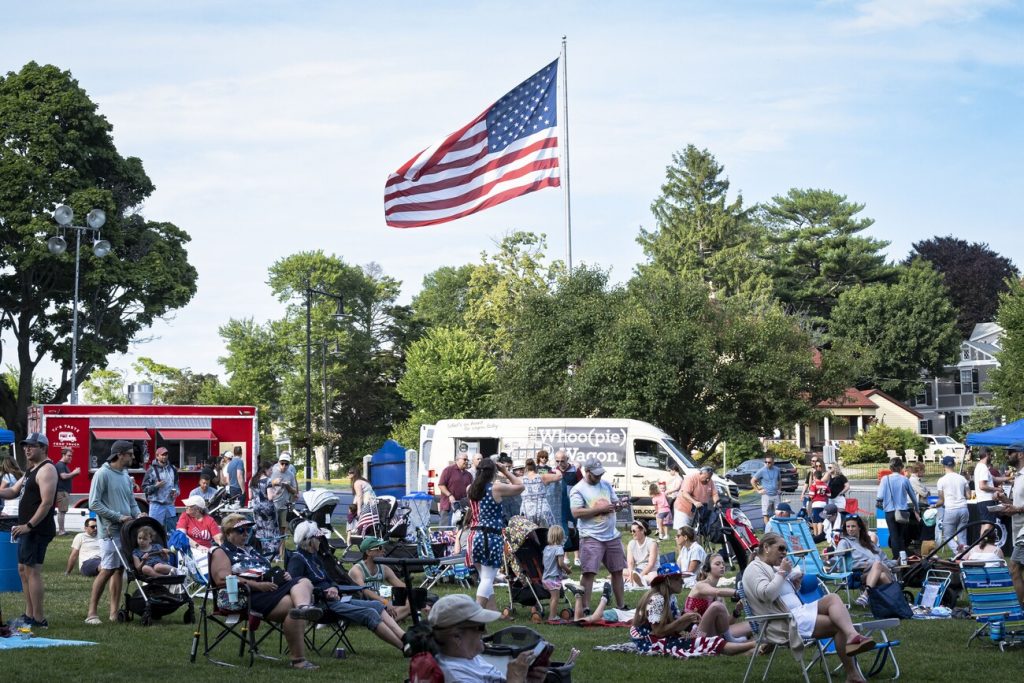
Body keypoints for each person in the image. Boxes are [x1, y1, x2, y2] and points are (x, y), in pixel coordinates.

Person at [743, 532, 877, 683]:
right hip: (782, 622)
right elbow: (767, 594)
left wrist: (795, 586)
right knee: (838, 625)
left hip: (796, 613)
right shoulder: (755, 568)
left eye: (786, 549)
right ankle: (852, 674)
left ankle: (852, 636)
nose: (784, 553)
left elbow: (781, 594)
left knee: (833, 598)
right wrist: (782, 572)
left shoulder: (769, 567)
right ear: (766, 547)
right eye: (781, 548)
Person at [210, 513, 322, 670]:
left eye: (248, 530)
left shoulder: (251, 550)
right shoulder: (221, 552)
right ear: (228, 533)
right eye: (240, 530)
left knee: (303, 581)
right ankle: (298, 658)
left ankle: (303, 609)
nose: (245, 534)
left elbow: (267, 571)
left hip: (271, 590)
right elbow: (222, 579)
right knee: (292, 606)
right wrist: (257, 586)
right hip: (247, 595)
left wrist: (283, 575)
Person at [288, 520, 406, 650]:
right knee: (370, 613)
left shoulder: (314, 557)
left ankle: (405, 637)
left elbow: (330, 580)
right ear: (310, 541)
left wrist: (333, 587)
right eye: (318, 538)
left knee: (377, 605)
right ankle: (403, 647)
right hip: (320, 606)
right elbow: (296, 587)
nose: (320, 540)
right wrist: (322, 593)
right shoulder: (297, 560)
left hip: (334, 600)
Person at [630, 563, 755, 658]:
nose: (683, 581)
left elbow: (673, 627)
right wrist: (684, 620)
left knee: (708, 639)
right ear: (668, 580)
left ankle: (752, 645)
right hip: (651, 640)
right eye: (679, 578)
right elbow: (658, 632)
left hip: (679, 633)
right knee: (706, 639)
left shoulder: (669, 597)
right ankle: (754, 644)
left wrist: (687, 619)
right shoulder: (657, 599)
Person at [0, 432, 58, 629]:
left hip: (36, 528)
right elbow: (13, 492)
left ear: (43, 448)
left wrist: (29, 525)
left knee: (32, 571)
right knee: (23, 569)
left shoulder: (47, 469)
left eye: (32, 446)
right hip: (26, 529)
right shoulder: (31, 470)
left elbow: (47, 502)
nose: (27, 449)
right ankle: (29, 614)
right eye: (25, 446)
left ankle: (39, 619)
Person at [427, 593, 546, 683]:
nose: (485, 631)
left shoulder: (468, 657)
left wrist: (525, 678)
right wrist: (515, 680)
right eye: (480, 627)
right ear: (456, 637)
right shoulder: (454, 676)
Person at [87, 439, 141, 625]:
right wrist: (117, 517)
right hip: (109, 531)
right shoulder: (102, 474)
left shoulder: (125, 474)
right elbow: (93, 503)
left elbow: (131, 501)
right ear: (120, 455)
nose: (133, 457)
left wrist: (138, 515)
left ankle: (113, 612)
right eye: (130, 454)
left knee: (119, 570)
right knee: (108, 569)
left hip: (125, 531)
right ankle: (92, 613)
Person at [570, 458, 628, 616]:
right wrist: (598, 510)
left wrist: (619, 505)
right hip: (591, 536)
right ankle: (585, 607)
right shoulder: (578, 489)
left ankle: (621, 605)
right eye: (596, 475)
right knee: (589, 572)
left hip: (611, 535)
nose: (599, 477)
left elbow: (614, 502)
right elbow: (576, 512)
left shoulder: (606, 484)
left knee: (617, 571)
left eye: (601, 474)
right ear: (586, 472)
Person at [465, 457, 523, 609]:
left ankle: (493, 611)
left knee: (484, 576)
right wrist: (505, 471)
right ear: (493, 473)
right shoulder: (496, 488)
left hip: (474, 536)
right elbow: (520, 486)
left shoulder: (470, 488)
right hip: (489, 536)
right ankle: (475, 613)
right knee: (488, 578)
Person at [685, 553, 752, 641]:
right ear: (708, 568)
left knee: (752, 625)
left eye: (723, 564)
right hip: (692, 634)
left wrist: (737, 611)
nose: (722, 566)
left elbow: (726, 624)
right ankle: (730, 641)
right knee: (716, 605)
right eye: (717, 564)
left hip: (710, 632)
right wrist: (740, 593)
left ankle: (754, 645)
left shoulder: (719, 597)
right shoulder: (700, 585)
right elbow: (717, 591)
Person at [349, 536, 416, 621]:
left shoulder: (384, 568)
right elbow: (364, 590)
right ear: (368, 552)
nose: (383, 550)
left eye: (383, 547)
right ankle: (388, 620)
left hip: (382, 603)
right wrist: (384, 602)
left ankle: (386, 620)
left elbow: (402, 586)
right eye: (379, 548)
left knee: (412, 600)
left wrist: (416, 593)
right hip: (364, 605)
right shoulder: (357, 570)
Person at [836, 515, 896, 607]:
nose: (850, 529)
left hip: (880, 569)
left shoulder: (868, 542)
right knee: (881, 574)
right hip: (861, 574)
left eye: (853, 526)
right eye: (848, 526)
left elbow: (884, 560)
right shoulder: (844, 542)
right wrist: (866, 564)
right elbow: (840, 564)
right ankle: (895, 601)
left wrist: (897, 562)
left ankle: (865, 595)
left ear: (859, 527)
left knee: (878, 564)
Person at [995, 449, 1024, 606]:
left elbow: (1019, 508)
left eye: (1010, 452)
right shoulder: (1018, 477)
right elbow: (1017, 506)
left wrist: (1017, 509)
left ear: (1020, 454)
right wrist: (1004, 499)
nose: (1007, 455)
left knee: (1014, 568)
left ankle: (1018, 611)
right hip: (1018, 530)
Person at [876, 458, 919, 559]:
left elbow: (880, 496)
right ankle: (903, 555)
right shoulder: (904, 479)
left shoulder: (885, 479)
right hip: (902, 511)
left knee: (893, 535)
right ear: (901, 467)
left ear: (890, 468)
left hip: (889, 511)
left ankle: (896, 557)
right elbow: (913, 496)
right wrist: (916, 509)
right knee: (901, 536)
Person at [933, 455, 970, 551]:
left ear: (943, 466)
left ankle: (957, 552)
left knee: (947, 536)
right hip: (963, 508)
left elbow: (941, 501)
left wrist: (934, 505)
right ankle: (965, 555)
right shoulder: (962, 478)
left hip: (951, 509)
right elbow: (969, 496)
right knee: (962, 536)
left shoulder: (941, 480)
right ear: (954, 465)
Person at [142, 446, 179, 532]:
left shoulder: (173, 469)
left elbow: (176, 484)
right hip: (156, 505)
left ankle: (171, 545)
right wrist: (156, 487)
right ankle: (156, 545)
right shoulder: (151, 470)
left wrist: (176, 492)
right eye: (162, 455)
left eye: (166, 454)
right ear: (157, 456)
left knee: (172, 530)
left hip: (170, 505)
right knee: (154, 530)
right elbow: (144, 488)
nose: (164, 457)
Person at [520, 456, 562, 527]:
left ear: (525, 468)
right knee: (549, 533)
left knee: (528, 535)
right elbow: (559, 476)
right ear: (535, 468)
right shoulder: (543, 477)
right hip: (543, 509)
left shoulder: (520, 479)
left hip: (527, 510)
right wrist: (556, 470)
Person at [248, 460, 280, 555]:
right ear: (265, 470)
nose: (272, 472)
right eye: (270, 470)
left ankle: (261, 550)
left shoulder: (252, 480)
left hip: (256, 508)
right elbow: (270, 497)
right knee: (271, 530)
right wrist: (277, 491)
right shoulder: (268, 481)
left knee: (260, 529)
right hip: (267, 509)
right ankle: (271, 551)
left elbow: (250, 496)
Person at [674, 466, 719, 531]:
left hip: (698, 511)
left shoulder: (710, 481)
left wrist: (717, 502)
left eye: (709, 478)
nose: (708, 480)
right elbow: (685, 493)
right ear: (700, 473)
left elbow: (714, 494)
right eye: (706, 478)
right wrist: (694, 502)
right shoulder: (691, 478)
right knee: (682, 532)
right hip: (683, 509)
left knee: (695, 533)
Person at [542, 524, 570, 623]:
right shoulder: (559, 548)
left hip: (546, 577)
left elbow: (546, 563)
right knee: (555, 597)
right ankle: (552, 617)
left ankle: (552, 614)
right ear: (561, 537)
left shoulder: (546, 548)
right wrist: (567, 570)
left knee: (552, 597)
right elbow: (561, 563)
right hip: (554, 578)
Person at [438, 451, 473, 527]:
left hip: (463, 507)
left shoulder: (468, 474)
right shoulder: (448, 470)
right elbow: (441, 485)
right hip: (448, 505)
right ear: (457, 460)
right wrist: (449, 495)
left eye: (467, 460)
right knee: (446, 530)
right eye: (464, 459)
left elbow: (470, 489)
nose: (466, 462)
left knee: (461, 529)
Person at [973, 448, 1002, 538]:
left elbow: (995, 479)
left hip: (983, 501)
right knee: (988, 525)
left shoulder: (980, 466)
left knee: (985, 524)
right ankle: (983, 546)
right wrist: (996, 489)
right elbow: (982, 486)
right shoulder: (983, 468)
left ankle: (981, 546)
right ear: (986, 455)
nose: (991, 457)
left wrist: (1010, 478)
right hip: (986, 500)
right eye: (990, 455)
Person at [54, 446, 80, 535]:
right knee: (62, 511)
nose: (70, 457)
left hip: (63, 492)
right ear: (63, 455)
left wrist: (73, 474)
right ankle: (61, 531)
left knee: (63, 511)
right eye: (69, 455)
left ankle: (62, 530)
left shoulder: (63, 465)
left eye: (71, 456)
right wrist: (74, 473)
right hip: (61, 492)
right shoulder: (60, 465)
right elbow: (63, 476)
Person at [625, 520, 659, 588]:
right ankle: (638, 580)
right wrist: (631, 574)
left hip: (651, 570)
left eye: (634, 531)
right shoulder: (631, 543)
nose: (632, 533)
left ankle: (638, 580)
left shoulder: (652, 543)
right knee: (618, 572)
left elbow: (651, 564)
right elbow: (630, 562)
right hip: (637, 570)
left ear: (642, 530)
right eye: (631, 531)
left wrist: (640, 575)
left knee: (653, 577)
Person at [752, 455, 782, 527]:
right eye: (766, 462)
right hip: (766, 495)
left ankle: (776, 529)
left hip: (776, 495)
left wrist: (779, 489)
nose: (767, 464)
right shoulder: (762, 470)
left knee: (778, 513)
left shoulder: (777, 470)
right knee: (766, 514)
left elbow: (779, 480)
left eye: (769, 462)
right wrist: (758, 490)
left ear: (773, 462)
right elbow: (753, 480)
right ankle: (768, 530)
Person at [349, 464, 378, 534]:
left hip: (368, 503)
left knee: (360, 518)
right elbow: (357, 496)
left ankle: (358, 532)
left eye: (350, 473)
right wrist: (353, 506)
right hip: (373, 503)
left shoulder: (357, 482)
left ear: (354, 474)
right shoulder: (363, 481)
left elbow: (359, 496)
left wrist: (358, 509)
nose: (348, 474)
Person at [809, 470, 831, 537]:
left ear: (814, 477)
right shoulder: (824, 485)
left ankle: (816, 535)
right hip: (823, 503)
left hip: (816, 504)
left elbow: (811, 495)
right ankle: (820, 534)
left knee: (815, 520)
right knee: (821, 520)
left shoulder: (814, 485)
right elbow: (829, 494)